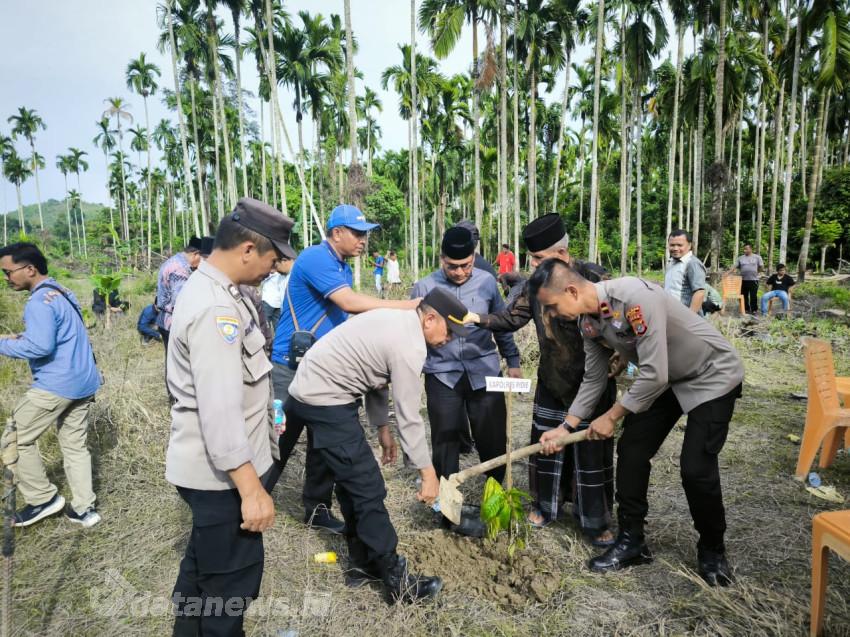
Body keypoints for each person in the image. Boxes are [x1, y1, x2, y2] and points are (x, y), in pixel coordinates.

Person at [533, 260, 744, 586]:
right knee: (631, 451)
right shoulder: (588, 322)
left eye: (552, 305)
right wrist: (566, 427)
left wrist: (612, 416)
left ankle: (713, 549)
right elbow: (594, 379)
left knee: (696, 467)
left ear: (572, 291)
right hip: (665, 381)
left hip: (710, 374)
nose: (551, 314)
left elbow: (654, 373)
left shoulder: (633, 299)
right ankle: (632, 541)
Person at [167, 198, 297, 635]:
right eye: (272, 258)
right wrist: (252, 490)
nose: (274, 268)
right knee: (229, 588)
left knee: (203, 575)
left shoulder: (223, 292)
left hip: (213, 472)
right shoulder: (217, 309)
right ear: (246, 250)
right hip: (221, 478)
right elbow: (219, 409)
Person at [285, 287, 465, 602]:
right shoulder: (409, 345)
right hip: (325, 399)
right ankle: (397, 580)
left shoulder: (398, 322)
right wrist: (428, 473)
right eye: (449, 331)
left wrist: (382, 427)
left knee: (353, 484)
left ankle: (362, 565)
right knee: (368, 489)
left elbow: (376, 375)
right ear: (430, 319)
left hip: (312, 391)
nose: (449, 338)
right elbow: (410, 416)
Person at [270, 204, 419, 535]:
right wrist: (407, 307)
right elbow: (350, 304)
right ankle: (252, 498)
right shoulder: (315, 258)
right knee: (277, 438)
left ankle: (317, 509)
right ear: (336, 233)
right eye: (358, 233)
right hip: (290, 368)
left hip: (322, 372)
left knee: (324, 446)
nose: (364, 240)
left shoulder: (342, 269)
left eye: (365, 234)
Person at [467, 214, 616, 546]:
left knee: (590, 451)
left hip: (592, 382)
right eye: (531, 258)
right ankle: (545, 507)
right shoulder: (535, 285)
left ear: (562, 255)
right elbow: (511, 317)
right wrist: (476, 318)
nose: (531, 264)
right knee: (546, 446)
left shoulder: (594, 278)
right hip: (552, 380)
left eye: (537, 258)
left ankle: (594, 519)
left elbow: (615, 326)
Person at [411, 227, 521, 509]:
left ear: (474, 258)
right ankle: (448, 509)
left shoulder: (486, 282)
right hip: (442, 375)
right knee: (445, 443)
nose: (459, 272)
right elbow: (412, 336)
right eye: (452, 266)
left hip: (484, 371)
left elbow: (501, 323)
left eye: (466, 265)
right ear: (441, 259)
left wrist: (513, 361)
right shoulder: (424, 288)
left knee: (493, 440)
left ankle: (495, 504)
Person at [0, 242, 102, 528]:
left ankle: (42, 498)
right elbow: (59, 335)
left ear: (29, 269)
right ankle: (84, 509)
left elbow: (40, 346)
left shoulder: (36, 303)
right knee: (74, 446)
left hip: (57, 384)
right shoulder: (60, 291)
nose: (7, 278)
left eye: (8, 272)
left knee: (13, 439)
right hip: (84, 381)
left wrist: (3, 344)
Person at [155, 237, 202, 346]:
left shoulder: (175, 260)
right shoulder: (179, 269)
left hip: (166, 321)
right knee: (178, 362)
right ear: (195, 254)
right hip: (173, 323)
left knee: (171, 361)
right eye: (202, 258)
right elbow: (180, 302)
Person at [664, 229, 706, 314]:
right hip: (671, 314)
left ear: (689, 245)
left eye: (680, 245)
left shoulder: (692, 263)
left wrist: (689, 318)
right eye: (672, 245)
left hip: (684, 317)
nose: (675, 248)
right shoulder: (671, 262)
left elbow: (699, 293)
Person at [260, 258, 293, 331]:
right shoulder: (282, 274)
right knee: (277, 326)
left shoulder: (275, 274)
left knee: (265, 324)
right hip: (278, 303)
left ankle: (267, 340)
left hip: (268, 302)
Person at [733, 244, 764, 314]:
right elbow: (734, 266)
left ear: (750, 249)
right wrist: (728, 272)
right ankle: (746, 309)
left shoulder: (757, 257)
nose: (745, 250)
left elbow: (761, 267)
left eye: (746, 249)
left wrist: (757, 272)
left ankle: (754, 310)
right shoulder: (740, 258)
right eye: (744, 249)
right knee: (744, 295)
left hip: (754, 280)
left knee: (753, 295)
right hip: (743, 280)